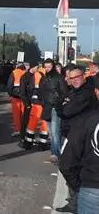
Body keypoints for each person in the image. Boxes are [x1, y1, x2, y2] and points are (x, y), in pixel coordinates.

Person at [56, 66, 98, 213]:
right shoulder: (74, 92)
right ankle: (75, 199)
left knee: (71, 166)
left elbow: (66, 110)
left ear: (83, 76)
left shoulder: (85, 94)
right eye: (71, 78)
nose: (74, 80)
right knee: (71, 166)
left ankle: (77, 197)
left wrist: (63, 105)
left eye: (77, 77)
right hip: (72, 133)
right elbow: (61, 108)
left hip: (81, 136)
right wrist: (62, 104)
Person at [39, 58, 68, 164]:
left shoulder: (59, 78)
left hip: (55, 107)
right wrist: (42, 101)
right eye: (45, 67)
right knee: (51, 132)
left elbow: (64, 92)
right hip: (46, 107)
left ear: (53, 67)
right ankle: (54, 153)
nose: (47, 69)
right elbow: (40, 91)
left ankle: (56, 154)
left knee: (56, 131)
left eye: (49, 67)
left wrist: (57, 102)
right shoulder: (44, 78)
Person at [20, 62, 48, 150]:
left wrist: (28, 104)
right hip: (44, 104)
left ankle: (27, 143)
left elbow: (30, 88)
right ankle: (42, 145)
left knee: (31, 124)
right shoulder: (47, 76)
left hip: (34, 104)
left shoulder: (34, 75)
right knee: (44, 125)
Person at [7, 63, 26, 137]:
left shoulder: (14, 73)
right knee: (24, 114)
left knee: (16, 115)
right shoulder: (26, 73)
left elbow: (9, 85)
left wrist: (10, 94)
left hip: (15, 97)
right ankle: (25, 129)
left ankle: (18, 130)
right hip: (24, 97)